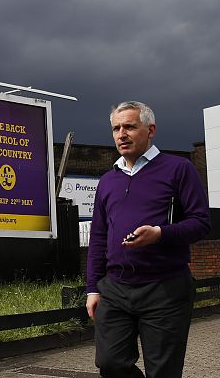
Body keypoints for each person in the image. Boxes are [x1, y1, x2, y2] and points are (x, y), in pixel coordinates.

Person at [86, 101, 211, 378]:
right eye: (116, 128)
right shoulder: (108, 180)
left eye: (130, 126)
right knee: (110, 363)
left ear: (150, 129)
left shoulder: (179, 169)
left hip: (165, 288)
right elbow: (98, 237)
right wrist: (93, 288)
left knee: (163, 372)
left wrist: (160, 234)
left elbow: (201, 223)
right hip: (115, 288)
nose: (122, 134)